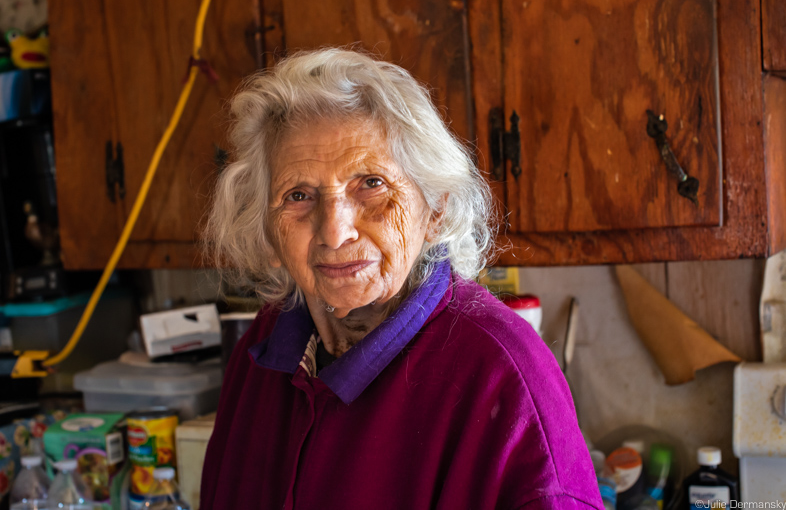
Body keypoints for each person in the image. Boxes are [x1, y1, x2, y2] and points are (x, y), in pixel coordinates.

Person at [200, 48, 601, 509]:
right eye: (298, 195)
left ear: (436, 209)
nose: (334, 231)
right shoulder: (264, 350)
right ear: (268, 230)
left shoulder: (502, 375)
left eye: (371, 184)